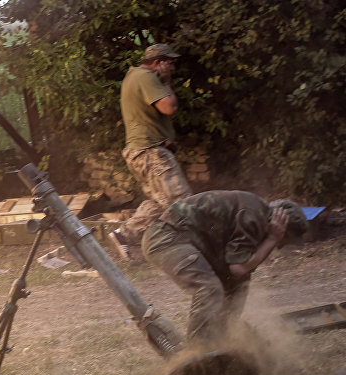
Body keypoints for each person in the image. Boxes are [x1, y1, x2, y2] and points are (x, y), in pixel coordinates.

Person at [142, 190, 308, 347]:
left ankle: (230, 347)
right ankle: (197, 355)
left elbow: (239, 273)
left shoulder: (258, 217)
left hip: (187, 240)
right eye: (286, 239)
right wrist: (272, 239)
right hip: (166, 237)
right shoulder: (254, 216)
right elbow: (238, 268)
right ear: (280, 226)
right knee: (210, 289)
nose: (283, 244)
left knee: (236, 292)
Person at [110, 43, 193, 261]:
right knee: (182, 201)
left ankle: (122, 235)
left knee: (157, 204)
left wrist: (166, 82)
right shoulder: (146, 77)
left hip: (141, 152)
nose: (173, 66)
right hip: (150, 153)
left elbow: (171, 105)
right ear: (158, 62)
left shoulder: (136, 76)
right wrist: (164, 81)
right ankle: (195, 250)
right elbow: (168, 107)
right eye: (170, 62)